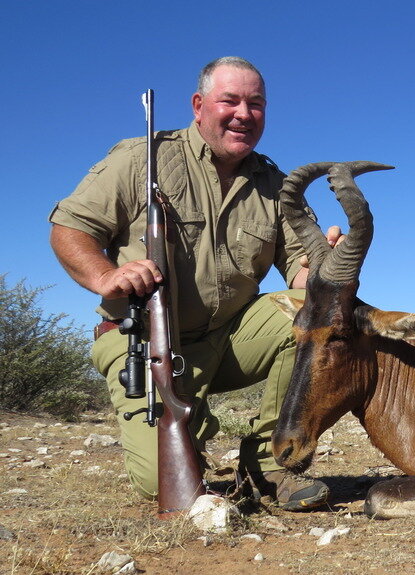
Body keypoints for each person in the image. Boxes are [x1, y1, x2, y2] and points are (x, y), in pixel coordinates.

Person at [48, 56, 332, 511]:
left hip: (228, 341)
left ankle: (266, 463)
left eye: (256, 104)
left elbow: (301, 272)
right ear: (199, 105)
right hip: (142, 340)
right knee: (159, 484)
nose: (244, 113)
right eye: (230, 101)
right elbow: (69, 228)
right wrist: (106, 276)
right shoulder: (143, 158)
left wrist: (326, 267)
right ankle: (188, 429)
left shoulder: (278, 184)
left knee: (316, 309)